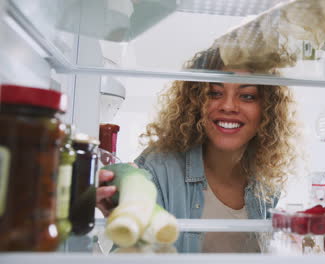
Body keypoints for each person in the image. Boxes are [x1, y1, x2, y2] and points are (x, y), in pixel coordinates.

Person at [96, 47, 298, 253]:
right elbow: (130, 252)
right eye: (215, 93)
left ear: (267, 110)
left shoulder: (265, 183)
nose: (228, 106)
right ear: (195, 103)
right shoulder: (157, 168)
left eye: (247, 96)